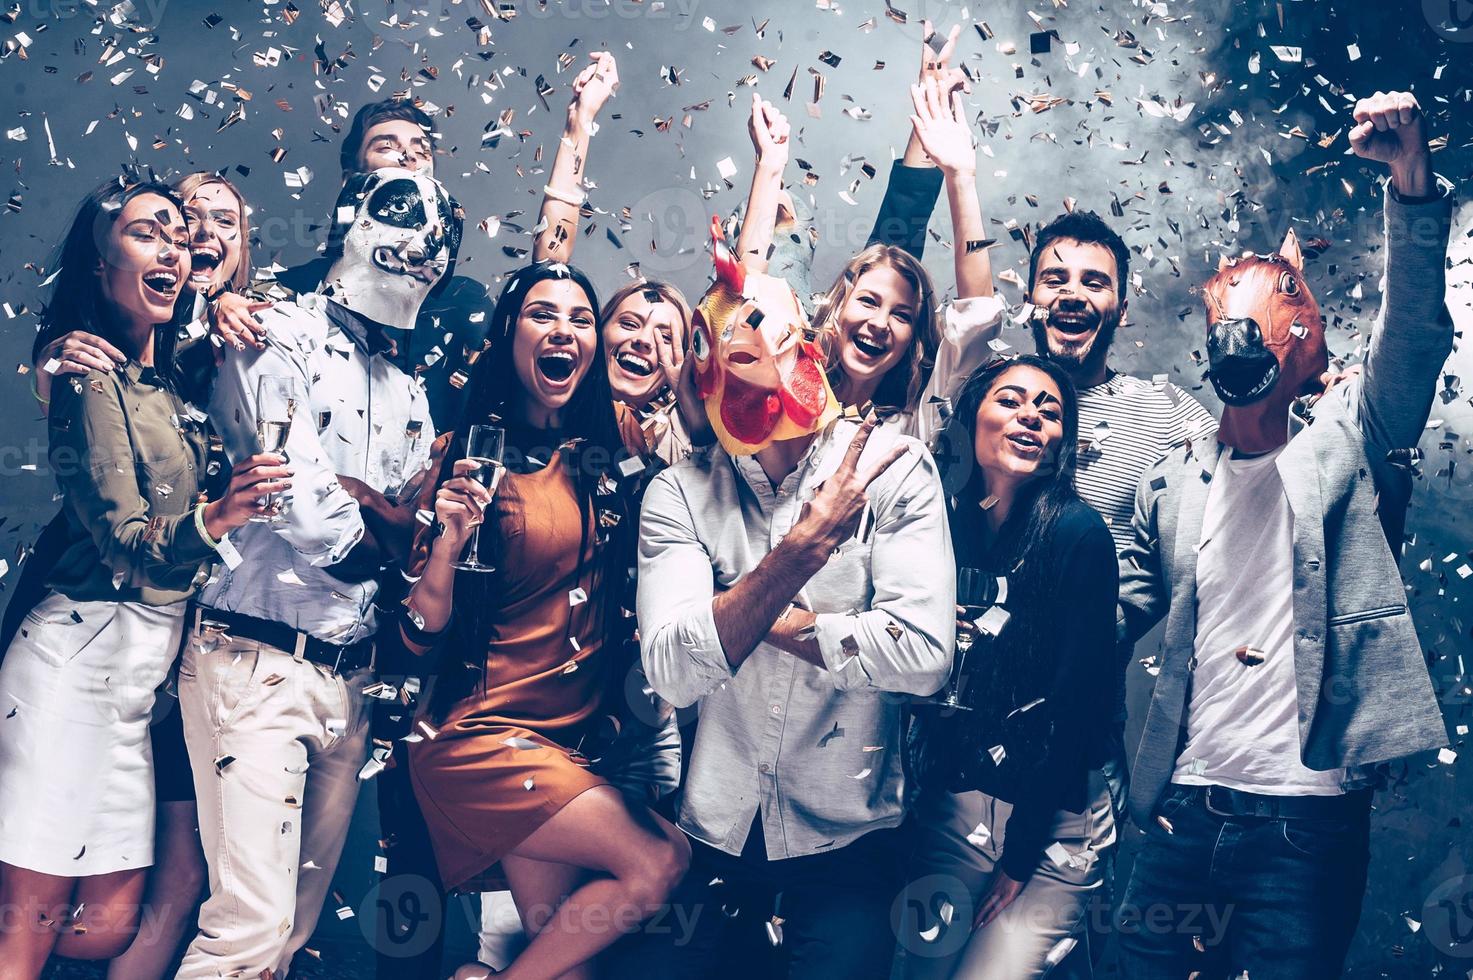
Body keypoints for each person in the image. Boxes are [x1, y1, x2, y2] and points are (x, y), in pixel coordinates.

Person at [1114, 90, 1453, 978]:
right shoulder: (1172, 482)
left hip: (1304, 824)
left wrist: (1409, 178)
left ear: (1304, 337)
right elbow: (1111, 619)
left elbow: (1415, 335)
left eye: (1275, 311)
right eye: (1233, 312)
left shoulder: (1356, 438)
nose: (1248, 331)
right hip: (1179, 814)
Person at [616, 145, 956, 975]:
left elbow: (921, 655)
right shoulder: (678, 492)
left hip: (847, 828)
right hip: (712, 820)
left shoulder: (896, 467)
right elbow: (670, 671)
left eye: (768, 339)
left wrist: (740, 610)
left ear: (811, 348)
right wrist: (804, 550)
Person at [174, 167, 459, 977]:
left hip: (351, 682)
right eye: (404, 212)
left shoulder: (408, 388)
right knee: (247, 930)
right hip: (255, 660)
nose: (428, 237)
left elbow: (411, 531)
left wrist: (389, 522)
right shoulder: (268, 332)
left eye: (444, 225)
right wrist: (381, 525)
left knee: (290, 936)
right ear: (350, 218)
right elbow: (303, 510)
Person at [0, 178, 283, 979]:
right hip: (74, 661)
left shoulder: (177, 380)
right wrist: (220, 516)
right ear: (99, 265)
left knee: (108, 925)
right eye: (146, 232)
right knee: (28, 931)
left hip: (141, 688)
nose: (173, 245)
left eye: (180, 234)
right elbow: (127, 544)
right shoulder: (91, 376)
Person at [400, 260, 690, 980]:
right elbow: (417, 633)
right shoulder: (466, 461)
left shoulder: (616, 453)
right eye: (541, 314)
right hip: (484, 737)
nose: (562, 329)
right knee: (658, 860)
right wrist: (445, 546)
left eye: (580, 317)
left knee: (568, 965)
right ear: (509, 333)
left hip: (568, 744)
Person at [893, 355, 1119, 978]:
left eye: (1050, 411)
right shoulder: (939, 524)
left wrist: (1019, 857)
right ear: (972, 420)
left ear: (1061, 443)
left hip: (1052, 827)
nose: (1031, 417)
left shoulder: (1079, 535)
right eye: (1012, 400)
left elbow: (1079, 711)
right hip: (954, 809)